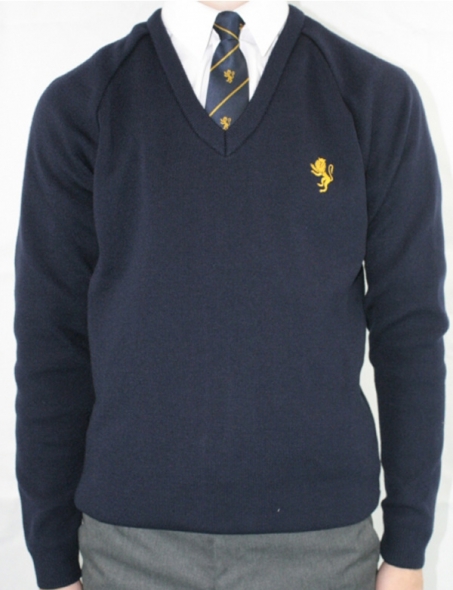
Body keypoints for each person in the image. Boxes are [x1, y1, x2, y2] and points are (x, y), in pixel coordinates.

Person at [14, 1, 448, 589]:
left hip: (322, 553)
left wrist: (407, 550)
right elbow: (51, 344)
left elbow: (410, 333)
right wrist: (53, 565)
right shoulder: (81, 106)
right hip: (128, 556)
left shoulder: (374, 98)